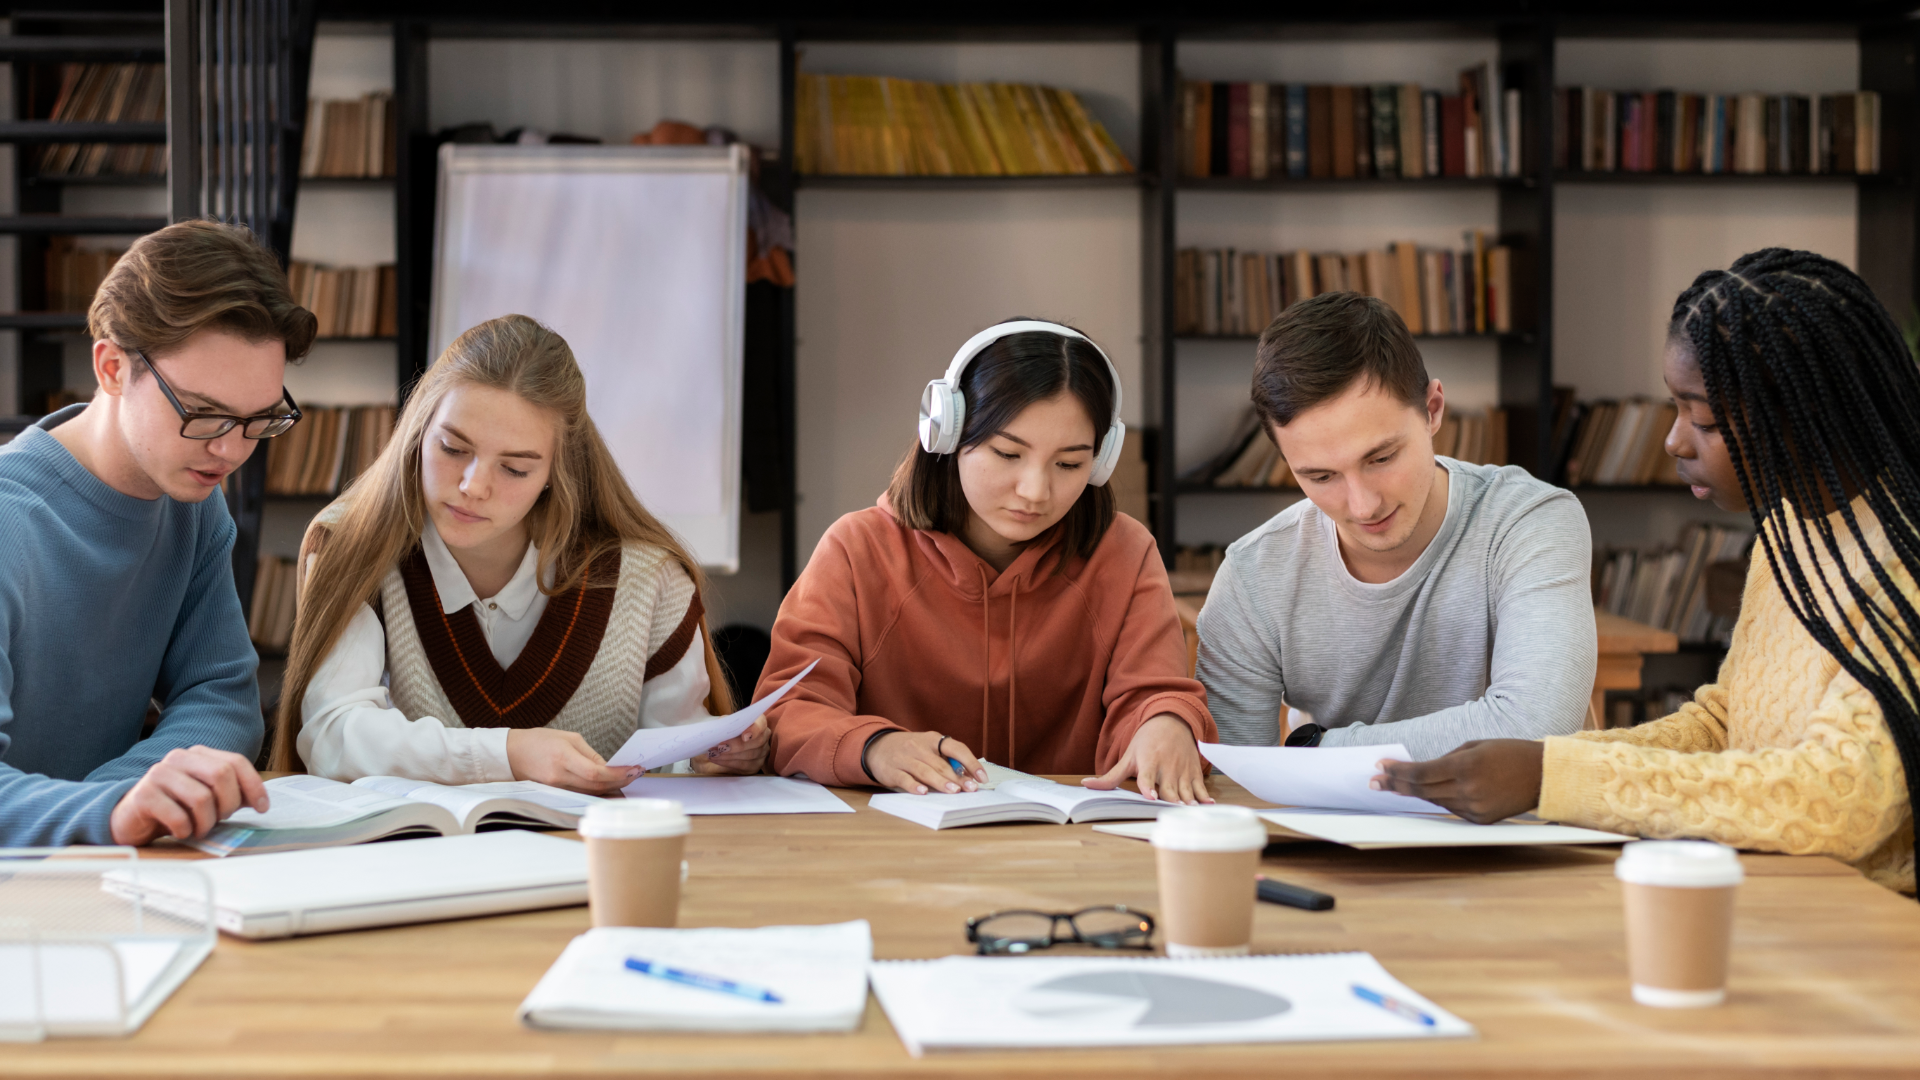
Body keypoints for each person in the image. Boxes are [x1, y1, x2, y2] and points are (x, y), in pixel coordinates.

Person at [1377, 249, 1918, 895]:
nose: (1674, 441)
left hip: (1865, 935)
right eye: (1676, 407)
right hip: (1765, 898)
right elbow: (1725, 725)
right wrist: (1550, 763)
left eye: (1706, 420)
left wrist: (1555, 780)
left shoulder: (1904, 567)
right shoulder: (1789, 531)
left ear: (1809, 415)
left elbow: (1838, 803)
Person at [275, 314, 765, 791]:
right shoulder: (351, 545)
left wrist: (715, 759)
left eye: (514, 469)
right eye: (452, 448)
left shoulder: (649, 577)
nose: (473, 486)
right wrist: (510, 754)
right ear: (419, 431)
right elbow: (332, 735)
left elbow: (676, 759)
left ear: (557, 470)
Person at [758, 319, 1215, 803]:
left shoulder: (1125, 553)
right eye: (1006, 453)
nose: (1036, 491)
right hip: (895, 847)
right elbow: (789, 710)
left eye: (1069, 464)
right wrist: (874, 747)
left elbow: (1152, 693)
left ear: (1100, 462)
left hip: (1074, 851)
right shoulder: (856, 550)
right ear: (947, 433)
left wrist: (1166, 723)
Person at [0, 220, 314, 846]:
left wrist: (139, 797)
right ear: (113, 367)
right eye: (202, 413)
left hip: (107, 873)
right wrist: (114, 807)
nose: (229, 449)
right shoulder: (12, 521)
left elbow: (222, 699)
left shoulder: (194, 507)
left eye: (258, 420)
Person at [1197, 292, 1595, 758]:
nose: (1363, 505)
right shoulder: (1253, 575)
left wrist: (1320, 749)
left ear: (1432, 410)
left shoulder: (1530, 522)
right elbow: (1233, 775)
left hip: (1501, 829)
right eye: (1321, 477)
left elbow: (1535, 727)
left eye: (1381, 458)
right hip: (1333, 826)